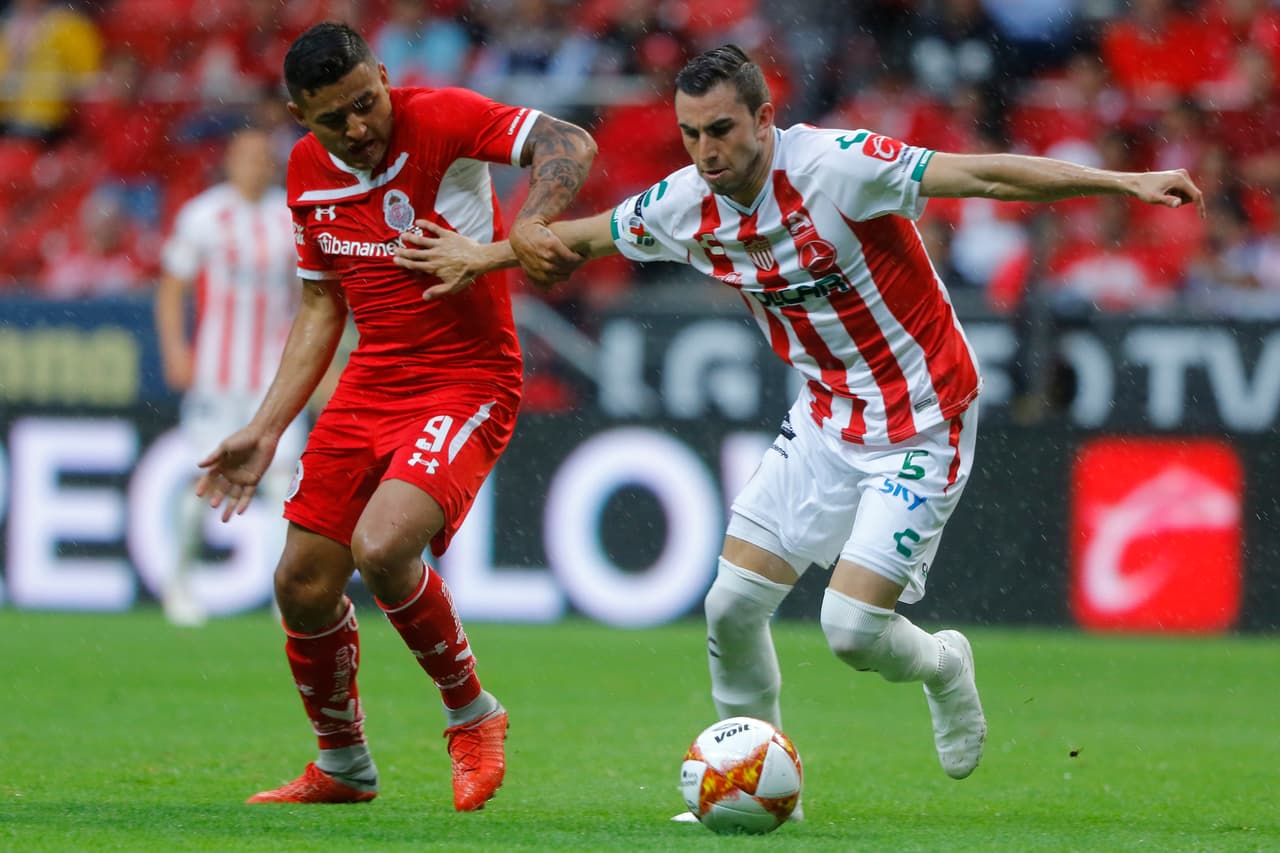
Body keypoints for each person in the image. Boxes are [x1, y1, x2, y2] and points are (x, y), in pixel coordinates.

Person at [395, 44, 1204, 815]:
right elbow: (583, 236)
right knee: (730, 607)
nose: (706, 150)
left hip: (925, 419)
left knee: (850, 630)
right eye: (690, 134)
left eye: (721, 129)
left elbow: (985, 176)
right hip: (825, 420)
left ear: (764, 118)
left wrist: (1122, 183)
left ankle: (945, 664)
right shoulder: (685, 205)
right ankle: (756, 787)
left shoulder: (837, 166)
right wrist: (484, 256)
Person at [194, 22, 596, 809]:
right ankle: (343, 764)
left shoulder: (442, 117)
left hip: (468, 375)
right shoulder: (306, 172)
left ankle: (473, 712)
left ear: (383, 75)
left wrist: (527, 223)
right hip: (373, 381)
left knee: (381, 546)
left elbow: (568, 139)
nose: (357, 128)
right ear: (297, 115)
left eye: (366, 103)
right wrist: (264, 427)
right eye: (332, 118)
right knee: (301, 583)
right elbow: (320, 305)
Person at [155, 126, 304, 627]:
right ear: (231, 162)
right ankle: (179, 583)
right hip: (217, 376)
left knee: (284, 484)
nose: (256, 165)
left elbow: (314, 297)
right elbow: (172, 287)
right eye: (247, 156)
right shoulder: (203, 215)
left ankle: (284, 597)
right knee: (205, 479)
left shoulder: (289, 217)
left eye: (264, 157)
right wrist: (176, 349)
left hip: (274, 377)